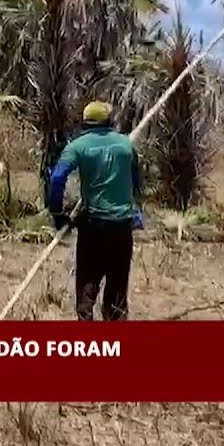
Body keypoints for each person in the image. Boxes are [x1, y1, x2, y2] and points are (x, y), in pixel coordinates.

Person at [46, 102, 144, 321]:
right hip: (121, 225)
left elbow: (57, 177)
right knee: (118, 288)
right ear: (110, 121)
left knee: (87, 285)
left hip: (94, 225)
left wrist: (57, 213)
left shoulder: (78, 146)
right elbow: (137, 182)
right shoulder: (126, 145)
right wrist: (136, 210)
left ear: (85, 121)